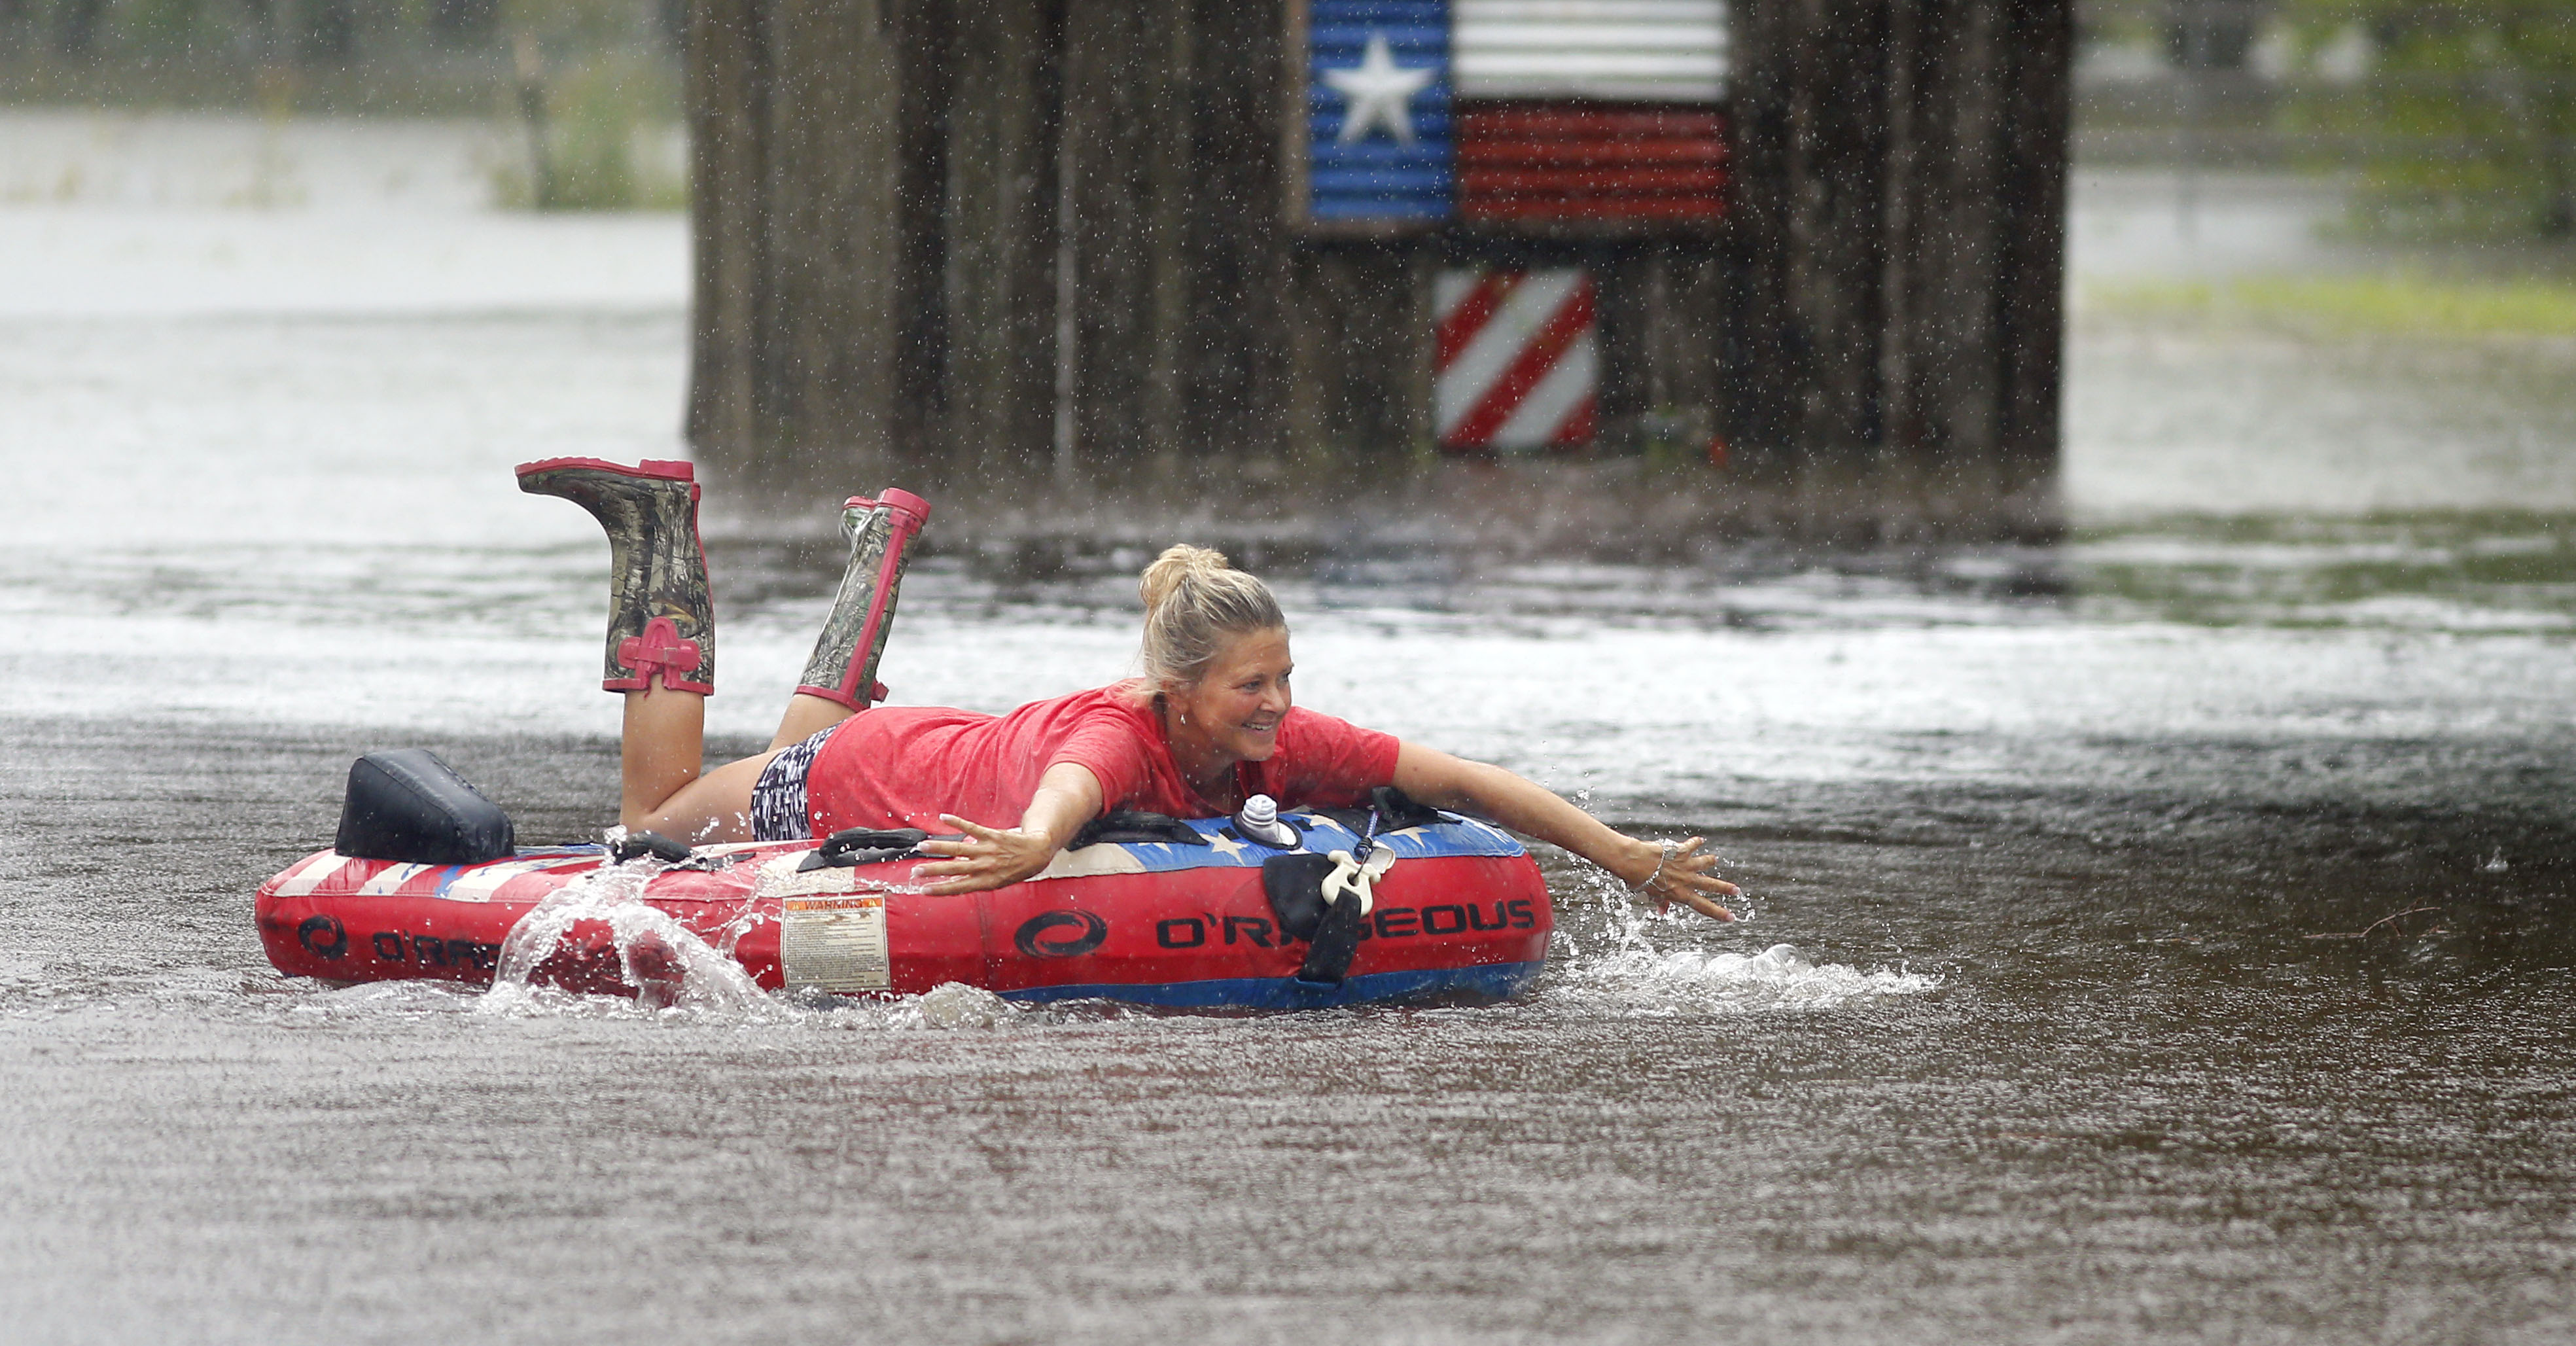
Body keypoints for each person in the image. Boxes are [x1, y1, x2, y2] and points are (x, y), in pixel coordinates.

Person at [519, 455, 1740, 921]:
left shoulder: (1274, 739)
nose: (1274, 706)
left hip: (928, 740)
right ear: (1178, 690)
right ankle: (659, 531)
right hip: (866, 772)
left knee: (773, 762)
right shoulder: (1120, 730)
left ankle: (872, 555)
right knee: (652, 816)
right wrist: (1027, 848)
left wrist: (1619, 852)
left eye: (1283, 681)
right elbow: (1067, 794)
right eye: (1252, 687)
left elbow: (1459, 778)